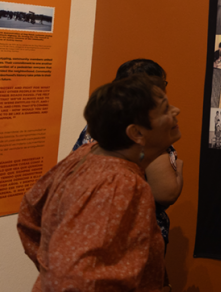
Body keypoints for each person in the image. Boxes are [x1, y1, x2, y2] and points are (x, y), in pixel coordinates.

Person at [20, 74, 180, 291]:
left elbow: (30, 211)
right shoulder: (122, 184)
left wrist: (49, 266)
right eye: (165, 109)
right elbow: (77, 280)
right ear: (137, 133)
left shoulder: (86, 154)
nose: (176, 111)